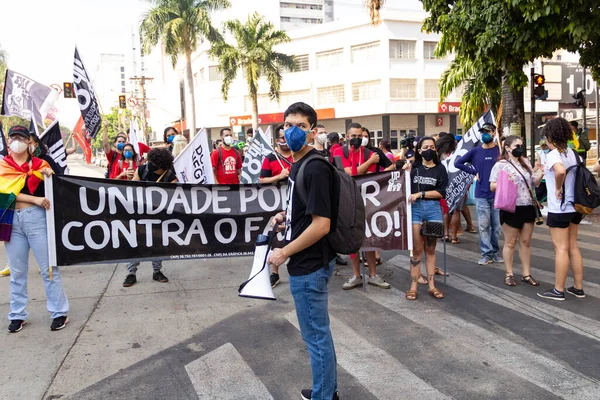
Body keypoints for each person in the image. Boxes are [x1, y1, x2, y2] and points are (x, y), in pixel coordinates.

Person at [267, 102, 339, 400]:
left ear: (312, 132)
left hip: (309, 265)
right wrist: (287, 217)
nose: (291, 131)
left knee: (316, 337)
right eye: (287, 125)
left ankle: (325, 396)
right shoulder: (299, 165)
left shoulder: (316, 168)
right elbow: (307, 212)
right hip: (306, 262)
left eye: (299, 126)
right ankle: (326, 390)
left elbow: (322, 225)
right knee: (316, 335)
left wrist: (284, 252)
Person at [2, 125, 69, 333]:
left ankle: (59, 312)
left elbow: (61, 184)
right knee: (17, 271)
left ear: (30, 142)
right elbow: (4, 195)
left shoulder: (42, 164)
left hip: (37, 219)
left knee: (49, 268)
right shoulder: (3, 166)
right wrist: (35, 199)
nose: (16, 140)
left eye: (21, 137)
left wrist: (49, 175)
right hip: (12, 220)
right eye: (12, 137)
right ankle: (17, 315)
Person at [333, 122, 390, 290]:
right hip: (347, 201)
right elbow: (346, 173)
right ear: (347, 136)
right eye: (354, 136)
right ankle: (356, 275)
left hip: (367, 202)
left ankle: (373, 275)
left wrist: (358, 169)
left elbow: (370, 175)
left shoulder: (369, 152)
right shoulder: (338, 152)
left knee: (369, 237)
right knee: (352, 239)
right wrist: (366, 164)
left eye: (360, 136)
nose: (357, 139)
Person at [537, 118, 585, 301]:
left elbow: (560, 171)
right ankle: (578, 287)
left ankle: (559, 290)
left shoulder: (554, 155)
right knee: (573, 246)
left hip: (560, 207)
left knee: (561, 248)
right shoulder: (572, 153)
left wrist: (558, 188)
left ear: (550, 136)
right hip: (575, 206)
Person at [489, 135, 544, 287]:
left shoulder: (525, 162)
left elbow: (533, 182)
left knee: (526, 242)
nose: (520, 148)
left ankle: (526, 274)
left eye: (521, 145)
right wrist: (505, 181)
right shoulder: (501, 165)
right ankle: (509, 274)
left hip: (527, 206)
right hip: (510, 206)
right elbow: (492, 186)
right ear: (507, 148)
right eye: (517, 146)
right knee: (510, 242)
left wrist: (540, 173)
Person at [123, 148, 178, 287]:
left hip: (158, 216)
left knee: (157, 243)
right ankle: (131, 273)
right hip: (141, 214)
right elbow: (133, 190)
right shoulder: (142, 170)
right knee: (136, 244)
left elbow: (175, 195)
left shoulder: (170, 175)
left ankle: (157, 272)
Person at [404, 136, 448, 300]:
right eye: (425, 147)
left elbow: (441, 192)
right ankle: (413, 287)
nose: (429, 149)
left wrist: (421, 193)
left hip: (433, 210)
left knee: (430, 249)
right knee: (416, 250)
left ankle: (432, 286)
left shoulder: (440, 169)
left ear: (436, 149)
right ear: (419, 150)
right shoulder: (414, 168)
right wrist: (405, 169)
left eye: (432, 146)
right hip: (415, 210)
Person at [455, 123, 502, 265]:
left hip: (498, 194)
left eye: (487, 131)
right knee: (483, 226)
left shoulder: (500, 151)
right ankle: (486, 254)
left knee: (496, 227)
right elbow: (458, 163)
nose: (484, 134)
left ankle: (495, 252)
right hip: (481, 194)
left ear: (494, 133)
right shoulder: (475, 151)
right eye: (482, 132)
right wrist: (473, 172)